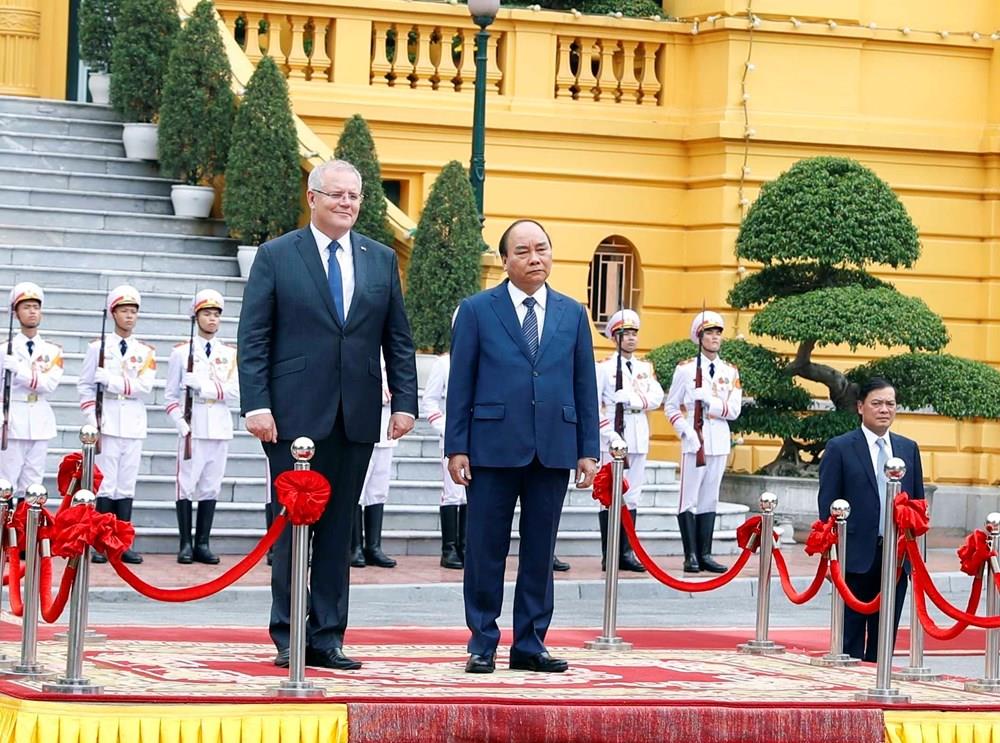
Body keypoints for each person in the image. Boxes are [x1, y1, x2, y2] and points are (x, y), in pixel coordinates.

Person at [238, 159, 417, 671]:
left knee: (341, 532)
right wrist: (256, 403)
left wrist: (404, 402)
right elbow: (254, 336)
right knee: (292, 527)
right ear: (313, 198)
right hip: (291, 417)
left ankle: (328, 635)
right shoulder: (277, 255)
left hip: (356, 415)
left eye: (355, 196)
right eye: (337, 194)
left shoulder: (380, 259)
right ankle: (289, 634)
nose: (347, 204)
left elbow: (397, 340)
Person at [445, 218, 599, 675]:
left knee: (540, 551)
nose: (536, 258)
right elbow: (462, 382)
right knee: (484, 549)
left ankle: (530, 643)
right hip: (491, 447)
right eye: (524, 251)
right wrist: (457, 446)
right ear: (505, 259)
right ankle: (482, 642)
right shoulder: (476, 310)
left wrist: (587, 448)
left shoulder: (572, 313)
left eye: (543, 249)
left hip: (553, 447)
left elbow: (583, 384)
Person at [818, 376, 924, 662]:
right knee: (849, 635)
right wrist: (831, 555)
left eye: (890, 403)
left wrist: (913, 559)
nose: (884, 409)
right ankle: (848, 693)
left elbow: (917, 506)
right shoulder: (840, 447)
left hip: (895, 557)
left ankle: (879, 684)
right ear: (860, 407)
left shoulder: (907, 448)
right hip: (855, 555)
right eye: (876, 403)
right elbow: (827, 505)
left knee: (884, 633)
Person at [78, 285, 155, 565]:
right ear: (113, 314)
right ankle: (101, 542)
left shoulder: (144, 351)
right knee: (106, 485)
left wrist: (110, 380)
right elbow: (85, 387)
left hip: (133, 420)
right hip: (107, 419)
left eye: (134, 311)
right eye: (124, 311)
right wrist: (91, 419)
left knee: (126, 485)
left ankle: (122, 543)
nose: (130, 316)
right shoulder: (98, 348)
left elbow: (145, 386)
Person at [164, 289, 239, 565]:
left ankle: (202, 543)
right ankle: (185, 542)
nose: (212, 319)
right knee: (186, 485)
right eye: (207, 314)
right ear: (196, 317)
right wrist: (180, 423)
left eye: (216, 314)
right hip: (192, 427)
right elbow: (170, 397)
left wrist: (204, 386)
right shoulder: (182, 353)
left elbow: (234, 391)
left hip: (219, 426)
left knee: (211, 486)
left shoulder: (229, 354)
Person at [664, 310, 741, 574]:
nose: (715, 337)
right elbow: (671, 406)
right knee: (689, 499)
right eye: (709, 333)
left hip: (718, 438)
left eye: (718, 333)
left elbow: (734, 410)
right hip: (694, 441)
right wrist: (685, 430)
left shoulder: (729, 371)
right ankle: (690, 556)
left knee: (710, 498)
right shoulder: (685, 370)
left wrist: (710, 401)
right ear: (699, 337)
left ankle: (705, 553)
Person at [596, 308, 663, 573]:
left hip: (637, 431)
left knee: (632, 495)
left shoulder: (645, 368)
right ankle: (609, 553)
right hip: (613, 434)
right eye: (626, 334)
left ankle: (626, 552)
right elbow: (593, 406)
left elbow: (657, 397)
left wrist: (635, 400)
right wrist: (609, 433)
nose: (632, 339)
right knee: (609, 496)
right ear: (615, 337)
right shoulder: (603, 368)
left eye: (635, 333)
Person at [0, 283, 63, 499]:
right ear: (16, 313)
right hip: (12, 418)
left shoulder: (52, 350)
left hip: (39, 419)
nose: (32, 311)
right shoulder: (3, 349)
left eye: (36, 307)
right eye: (26, 307)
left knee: (33, 485)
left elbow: (49, 384)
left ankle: (28, 532)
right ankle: (5, 532)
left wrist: (20, 371)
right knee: (6, 483)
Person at [420, 330, 467, 569]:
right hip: (453, 438)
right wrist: (446, 428)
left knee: (472, 495)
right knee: (452, 493)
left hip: (481, 438)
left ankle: (466, 546)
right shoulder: (444, 363)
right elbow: (430, 401)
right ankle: (449, 548)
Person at [352, 352, 398, 569]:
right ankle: (354, 546)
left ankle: (373, 546)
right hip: (361, 426)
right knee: (357, 489)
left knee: (378, 489)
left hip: (385, 427)